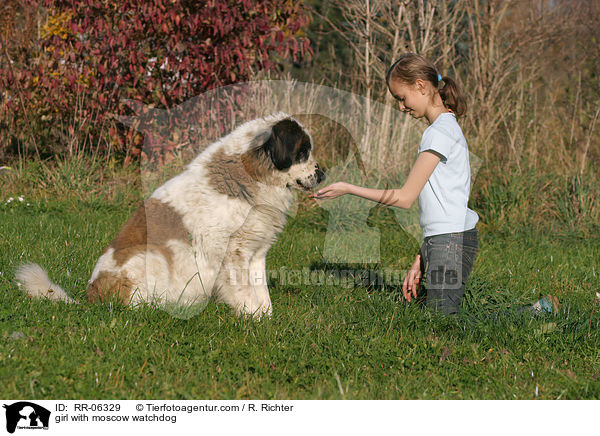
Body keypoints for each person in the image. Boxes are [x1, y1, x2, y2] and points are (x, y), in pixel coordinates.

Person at [311, 53, 479, 315]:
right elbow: (444, 204)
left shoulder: (440, 132)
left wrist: (348, 188)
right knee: (438, 315)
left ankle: (536, 312)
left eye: (402, 97)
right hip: (445, 240)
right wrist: (422, 256)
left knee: (445, 321)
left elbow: (405, 197)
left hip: (450, 242)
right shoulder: (443, 127)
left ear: (421, 86)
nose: (401, 106)